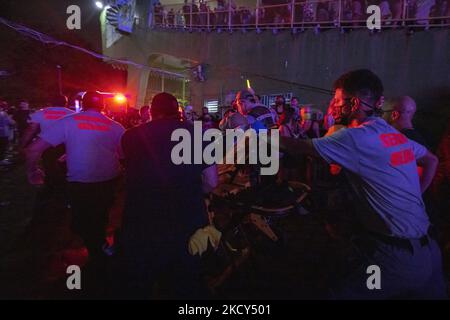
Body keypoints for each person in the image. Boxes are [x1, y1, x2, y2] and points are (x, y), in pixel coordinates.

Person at [278, 69, 446, 299]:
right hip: (430, 252)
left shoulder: (355, 137)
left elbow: (300, 147)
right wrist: (416, 193)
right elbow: (431, 160)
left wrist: (257, 135)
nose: (334, 105)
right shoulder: (391, 134)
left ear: (354, 102)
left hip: (393, 259)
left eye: (337, 100)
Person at [114, 92, 218, 299]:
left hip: (142, 219)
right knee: (184, 282)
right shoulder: (199, 136)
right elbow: (211, 182)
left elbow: (122, 164)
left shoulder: (131, 135)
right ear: (178, 112)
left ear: (151, 112)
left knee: (141, 279)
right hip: (186, 220)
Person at [25, 91, 125, 292]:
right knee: (99, 217)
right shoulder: (116, 127)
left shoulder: (69, 121)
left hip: (81, 182)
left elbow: (33, 149)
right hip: (108, 180)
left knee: (82, 222)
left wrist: (32, 171)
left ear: (81, 103)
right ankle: (101, 254)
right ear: (103, 105)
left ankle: (97, 262)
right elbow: (121, 154)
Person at [20, 94, 74, 193]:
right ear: (65, 103)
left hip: (46, 144)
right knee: (65, 167)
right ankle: (64, 187)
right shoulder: (73, 114)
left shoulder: (42, 113)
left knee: (49, 165)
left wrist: (23, 143)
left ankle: (51, 187)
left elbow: (31, 129)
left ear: (51, 102)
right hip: (66, 145)